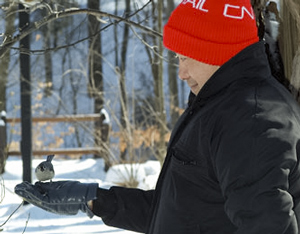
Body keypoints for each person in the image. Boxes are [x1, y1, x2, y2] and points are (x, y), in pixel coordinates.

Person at [15, 0, 300, 233]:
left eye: (187, 57)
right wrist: (92, 199)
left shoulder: (252, 118)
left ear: (217, 51)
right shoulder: (218, 104)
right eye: (178, 58)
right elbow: (184, 212)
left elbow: (267, 226)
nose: (181, 72)